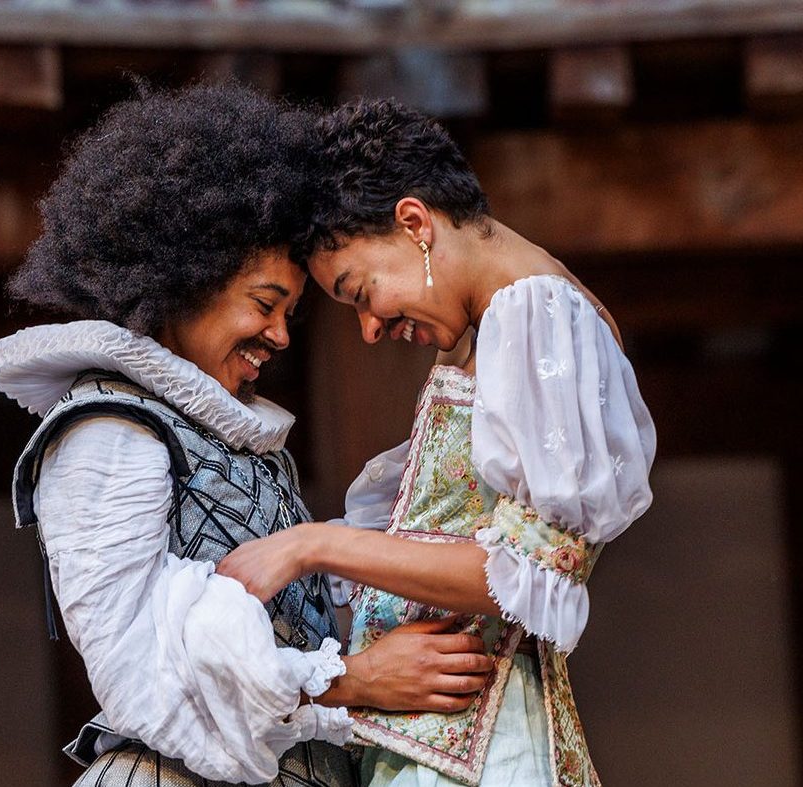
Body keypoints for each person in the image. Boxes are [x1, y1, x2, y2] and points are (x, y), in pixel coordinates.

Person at [0, 84, 494, 787]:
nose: (281, 335)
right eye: (265, 303)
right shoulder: (108, 432)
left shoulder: (228, 437)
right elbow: (140, 675)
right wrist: (355, 679)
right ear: (184, 280)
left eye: (291, 311)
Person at [217, 98, 656, 787]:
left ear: (415, 224)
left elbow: (534, 567)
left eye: (361, 292)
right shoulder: (501, 323)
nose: (370, 326)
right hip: (436, 745)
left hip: (481, 752)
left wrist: (311, 546)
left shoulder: (535, 311)